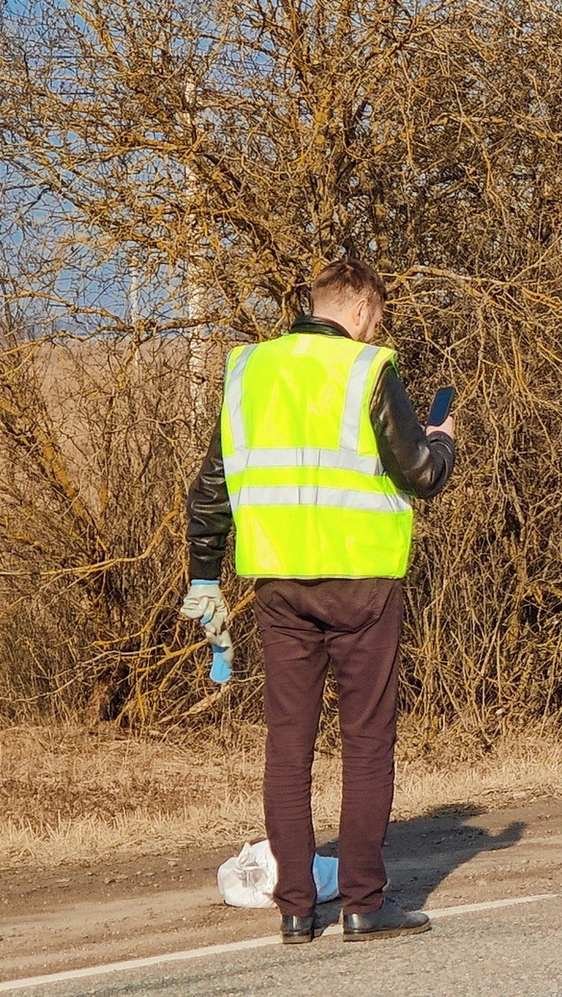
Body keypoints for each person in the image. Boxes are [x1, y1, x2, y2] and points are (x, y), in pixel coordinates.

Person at [181, 258, 456, 942]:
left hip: (281, 584)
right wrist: (443, 445)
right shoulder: (368, 369)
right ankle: (363, 902)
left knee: (288, 746)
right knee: (365, 741)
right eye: (378, 317)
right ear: (361, 308)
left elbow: (209, 492)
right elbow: (418, 473)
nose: (377, 329)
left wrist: (204, 577)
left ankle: (297, 908)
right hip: (362, 581)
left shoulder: (250, 371)